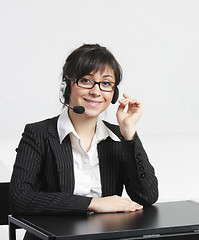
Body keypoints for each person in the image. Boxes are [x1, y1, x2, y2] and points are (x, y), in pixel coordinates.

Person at [9, 44, 158, 240]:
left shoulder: (117, 137)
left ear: (113, 94)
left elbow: (147, 196)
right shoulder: (39, 134)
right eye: (86, 81)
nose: (96, 92)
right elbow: (20, 199)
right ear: (66, 85)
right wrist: (92, 203)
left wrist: (129, 134)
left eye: (106, 84)